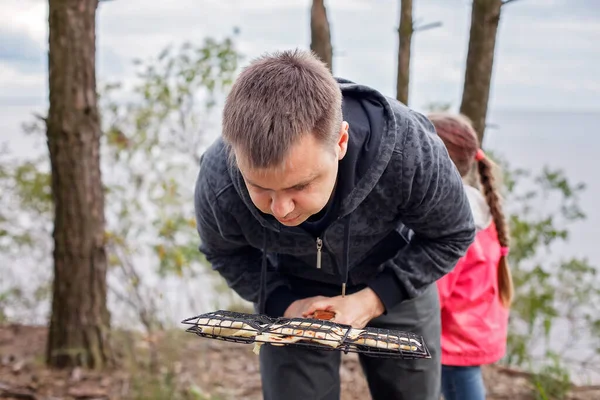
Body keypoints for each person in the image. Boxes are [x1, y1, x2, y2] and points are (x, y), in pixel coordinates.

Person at [194, 49, 476, 400]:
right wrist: (284, 304)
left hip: (395, 277)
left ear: (340, 142)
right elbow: (225, 253)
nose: (281, 209)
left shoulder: (409, 150)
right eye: (261, 188)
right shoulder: (218, 178)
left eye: (300, 186)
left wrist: (373, 300)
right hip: (292, 289)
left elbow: (453, 233)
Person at [428, 112, 513, 400]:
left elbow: (436, 292)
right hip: (472, 330)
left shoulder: (453, 216)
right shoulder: (477, 202)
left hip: (455, 339)